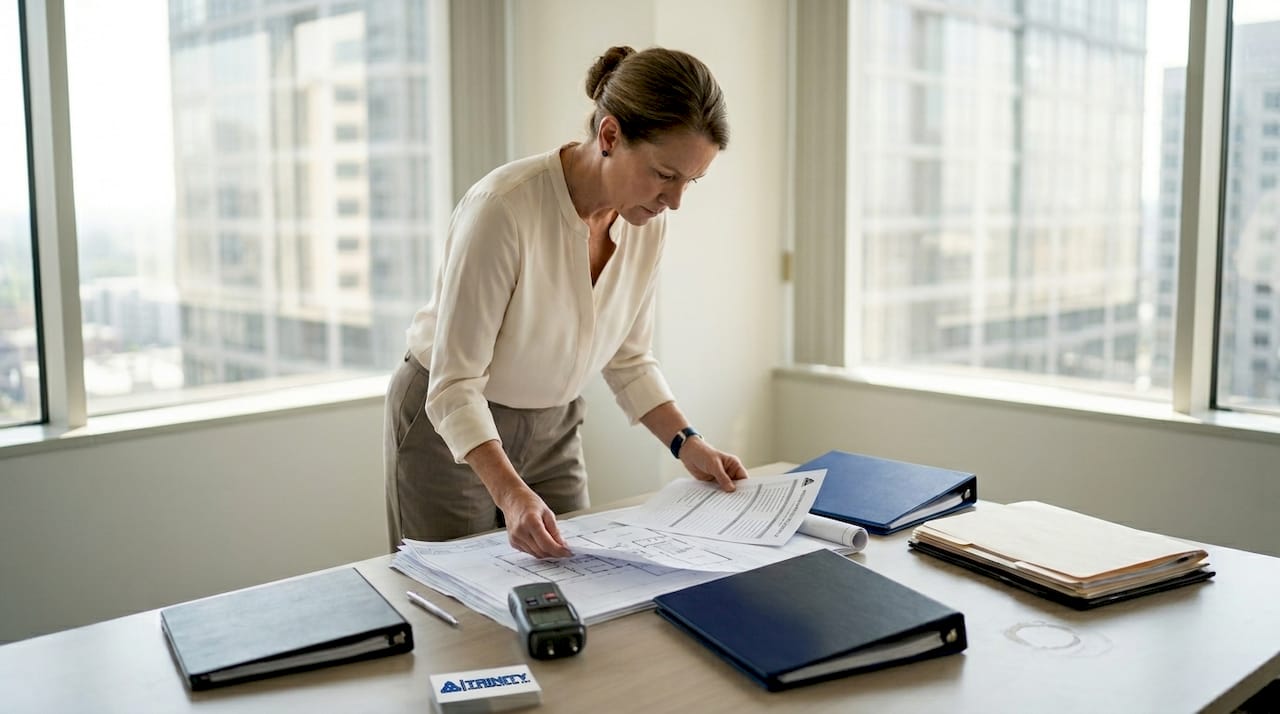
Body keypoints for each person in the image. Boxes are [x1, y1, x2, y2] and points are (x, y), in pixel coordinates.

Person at [384, 45, 747, 560]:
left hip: (555, 424)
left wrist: (687, 442)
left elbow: (628, 357)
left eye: (692, 180)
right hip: (449, 424)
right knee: (457, 607)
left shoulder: (646, 222)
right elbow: (454, 386)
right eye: (666, 175)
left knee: (575, 578)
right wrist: (510, 493)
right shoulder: (503, 209)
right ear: (610, 135)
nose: (676, 200)